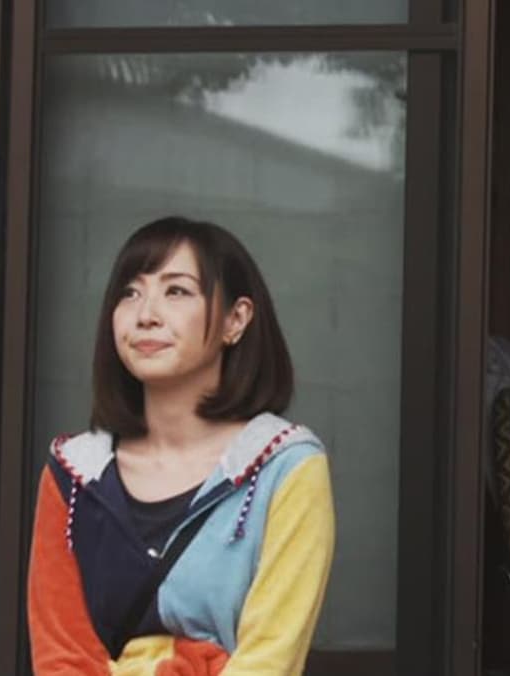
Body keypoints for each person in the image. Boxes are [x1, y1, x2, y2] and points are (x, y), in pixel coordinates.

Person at [27, 216, 336, 675]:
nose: (146, 314)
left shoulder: (286, 467)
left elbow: (270, 659)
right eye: (130, 292)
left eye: (176, 291)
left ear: (236, 319)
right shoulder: (73, 473)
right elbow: (60, 655)